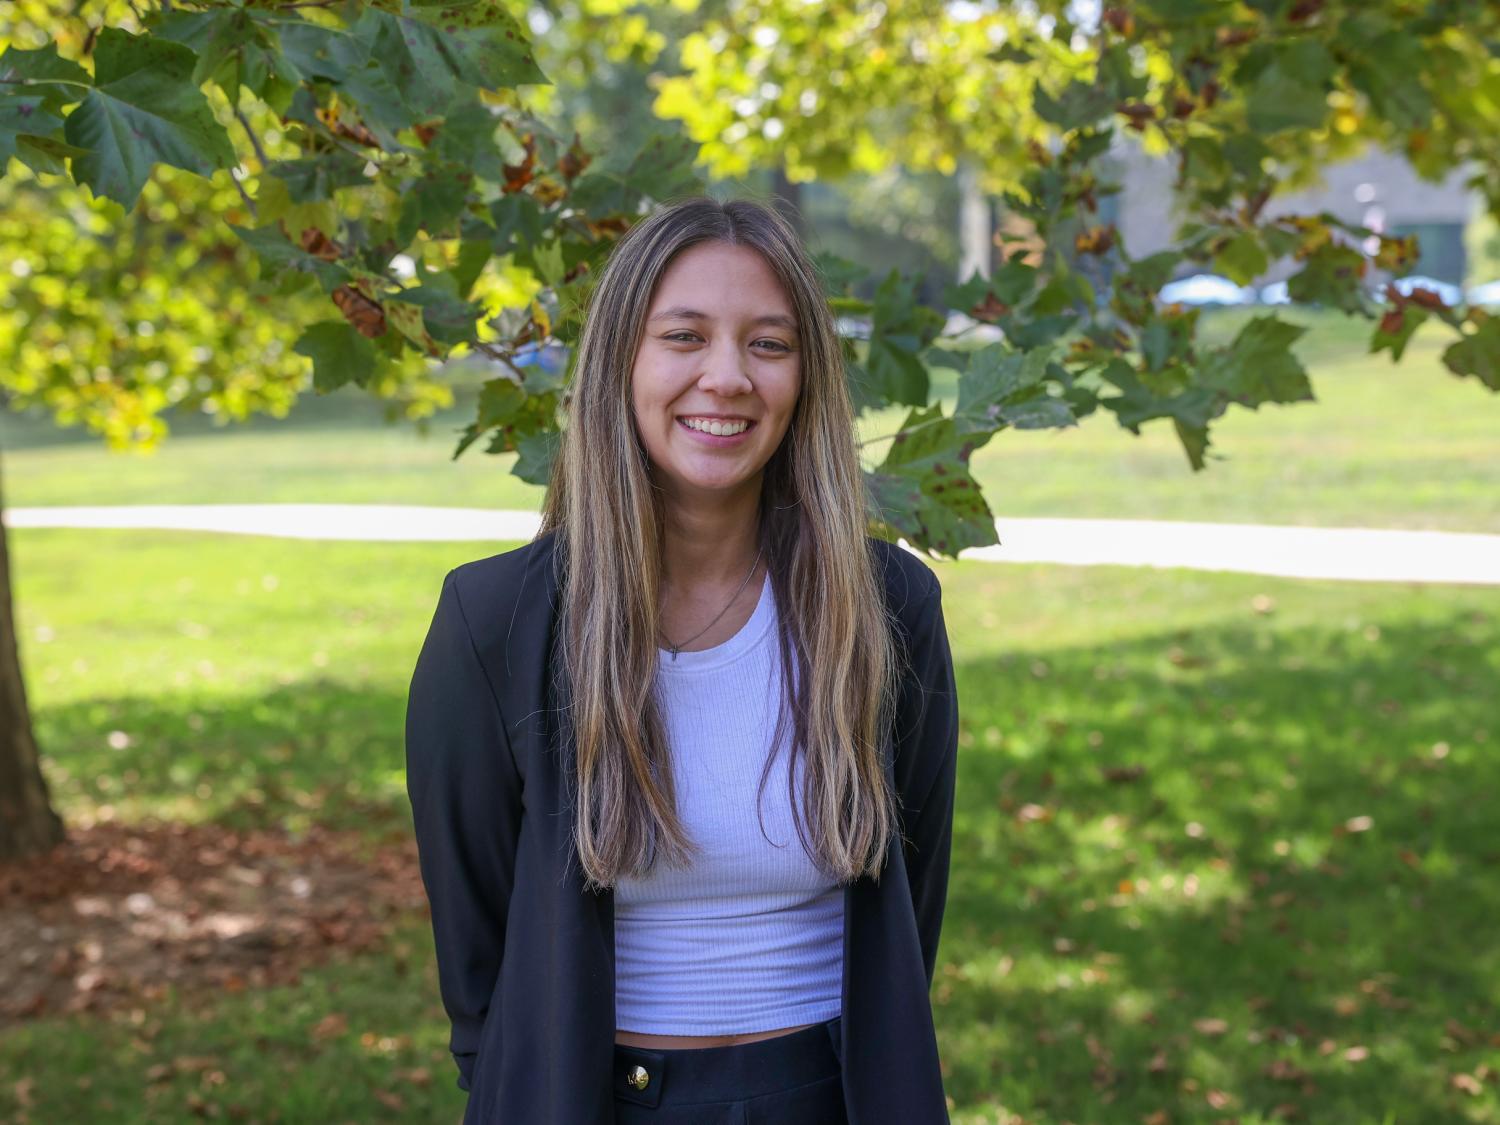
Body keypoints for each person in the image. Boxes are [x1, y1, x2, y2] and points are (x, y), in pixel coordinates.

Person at [405, 196, 960, 1124]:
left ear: (807, 380)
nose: (727, 376)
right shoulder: (496, 620)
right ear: (624, 358)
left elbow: (915, 900)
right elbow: (478, 946)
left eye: (769, 344)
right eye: (685, 336)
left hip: (831, 1097)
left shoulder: (887, 607)